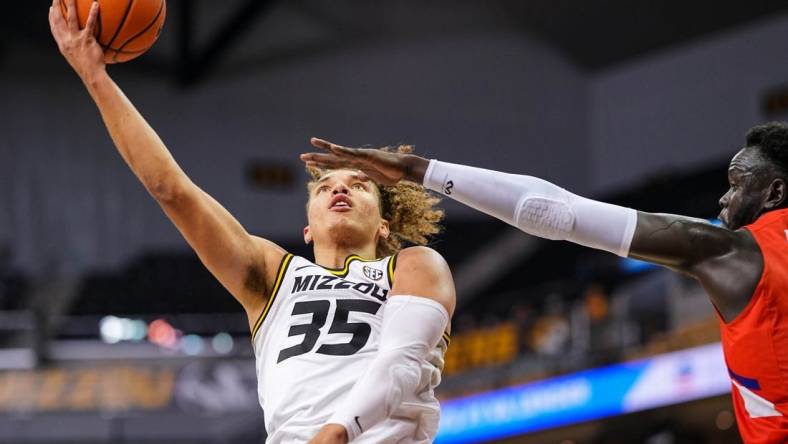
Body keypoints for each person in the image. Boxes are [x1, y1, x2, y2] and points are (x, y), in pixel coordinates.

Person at [48, 2, 455, 443]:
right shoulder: (272, 276)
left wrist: (339, 430)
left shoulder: (413, 266)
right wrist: (95, 77)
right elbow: (172, 190)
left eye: (360, 185)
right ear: (307, 229)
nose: (339, 190)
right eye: (323, 188)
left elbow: (401, 360)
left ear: (384, 226)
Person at [301, 124, 788, 444]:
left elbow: (556, 211)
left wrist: (417, 171)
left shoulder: (736, 252)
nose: (725, 199)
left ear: (776, 191)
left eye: (737, 183)